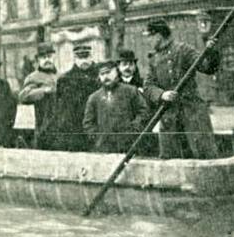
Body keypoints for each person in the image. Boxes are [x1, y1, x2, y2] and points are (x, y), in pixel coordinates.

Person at [143, 18, 221, 159]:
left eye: (149, 36)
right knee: (170, 158)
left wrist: (211, 51)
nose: (147, 41)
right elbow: (148, 86)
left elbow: (207, 67)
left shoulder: (183, 50)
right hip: (169, 117)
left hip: (193, 113)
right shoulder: (153, 60)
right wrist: (162, 95)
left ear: (158, 35)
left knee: (204, 154)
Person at [83, 59, 149, 153]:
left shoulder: (131, 91)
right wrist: (97, 138)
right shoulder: (94, 98)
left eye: (108, 72)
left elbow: (144, 112)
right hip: (103, 148)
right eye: (102, 74)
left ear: (116, 72)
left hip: (129, 146)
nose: (106, 77)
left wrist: (134, 130)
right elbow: (88, 123)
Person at [51, 41, 99, 150]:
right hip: (75, 129)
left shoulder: (100, 76)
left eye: (86, 57)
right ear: (75, 58)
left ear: (91, 56)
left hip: (95, 126)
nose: (83, 61)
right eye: (80, 58)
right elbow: (60, 109)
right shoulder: (65, 80)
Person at [17, 42, 58, 149]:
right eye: (43, 57)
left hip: (60, 127)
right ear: (38, 60)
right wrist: (43, 90)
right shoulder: (33, 77)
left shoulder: (60, 76)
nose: (47, 60)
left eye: (49, 57)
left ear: (54, 58)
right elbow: (23, 96)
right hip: (42, 127)